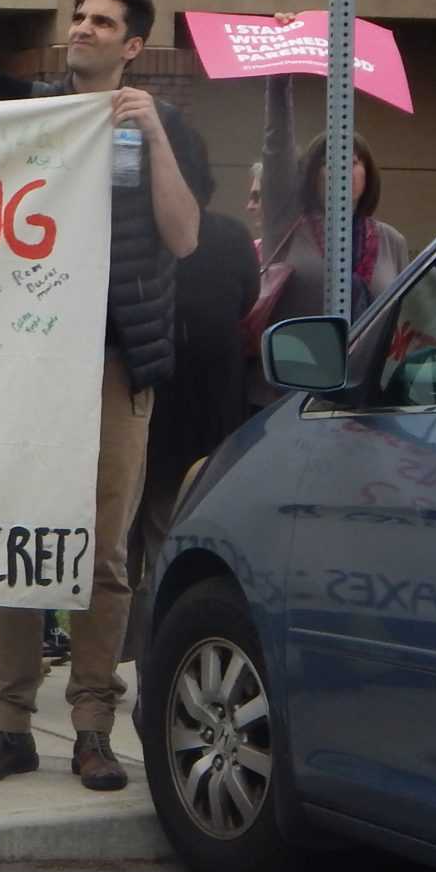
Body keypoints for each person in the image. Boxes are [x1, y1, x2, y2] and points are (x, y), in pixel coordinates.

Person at [0, 0, 198, 793]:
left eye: (102, 23)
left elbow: (185, 237)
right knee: (14, 537)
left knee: (105, 553)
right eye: (79, 18)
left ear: (133, 46)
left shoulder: (162, 126)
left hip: (115, 365)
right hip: (26, 364)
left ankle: (92, 725)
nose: (83, 30)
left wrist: (150, 133)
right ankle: (7, 725)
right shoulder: (30, 112)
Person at [127, 118, 257, 660]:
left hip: (144, 408)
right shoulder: (229, 237)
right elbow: (246, 305)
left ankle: (125, 652)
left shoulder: (134, 239)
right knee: (164, 541)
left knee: (122, 548)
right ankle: (154, 649)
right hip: (203, 420)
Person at [248, 74, 405, 410]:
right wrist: (279, 84)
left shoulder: (391, 241)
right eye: (329, 163)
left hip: (365, 401)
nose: (341, 171)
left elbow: (405, 321)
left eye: (351, 163)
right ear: (311, 174)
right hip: (286, 398)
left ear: (368, 174)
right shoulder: (288, 223)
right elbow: (276, 149)